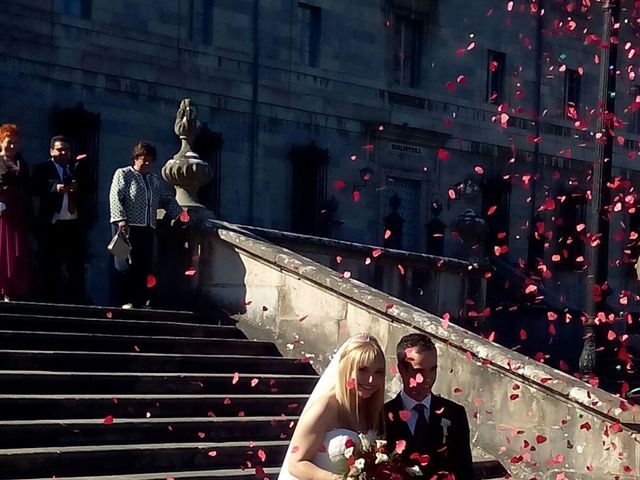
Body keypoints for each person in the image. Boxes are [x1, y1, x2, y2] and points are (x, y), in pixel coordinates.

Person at [279, 334, 386, 479]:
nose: (371, 380)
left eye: (378, 372)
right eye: (362, 370)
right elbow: (296, 464)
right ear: (346, 368)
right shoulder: (325, 407)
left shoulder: (373, 410)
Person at [385, 332, 474, 479]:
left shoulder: (455, 413)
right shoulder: (382, 417)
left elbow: (465, 472)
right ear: (401, 369)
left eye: (432, 370)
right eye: (419, 371)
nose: (428, 379)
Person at [109, 141, 183, 308]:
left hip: (147, 227)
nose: (147, 163)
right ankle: (124, 300)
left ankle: (140, 300)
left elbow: (166, 199)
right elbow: (115, 197)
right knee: (124, 264)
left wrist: (180, 214)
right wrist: (121, 219)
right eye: (143, 159)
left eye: (150, 160)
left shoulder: (154, 180)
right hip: (126, 226)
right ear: (135, 159)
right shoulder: (124, 174)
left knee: (144, 265)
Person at [32, 135, 86, 303]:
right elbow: (35, 187)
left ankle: (76, 298)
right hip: (52, 223)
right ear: (52, 151)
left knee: (75, 263)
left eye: (66, 149)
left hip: (73, 222)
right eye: (60, 149)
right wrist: (55, 187)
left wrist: (78, 187)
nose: (63, 152)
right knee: (49, 262)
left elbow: (89, 188)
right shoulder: (42, 168)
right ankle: (47, 297)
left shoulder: (75, 169)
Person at [0, 124, 32, 300]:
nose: (12, 146)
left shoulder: (22, 164)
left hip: (18, 212)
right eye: (9, 142)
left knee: (17, 250)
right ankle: (3, 287)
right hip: (2, 213)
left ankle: (14, 289)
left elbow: (27, 188)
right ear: (1, 142)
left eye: (15, 143)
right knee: (2, 250)